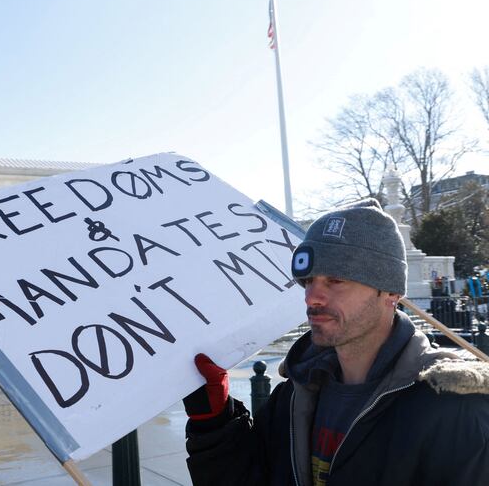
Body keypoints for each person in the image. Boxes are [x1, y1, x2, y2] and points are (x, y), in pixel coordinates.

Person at [183, 198, 489, 486]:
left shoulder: (453, 407)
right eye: (308, 281)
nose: (312, 297)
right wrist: (214, 423)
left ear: (390, 293)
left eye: (336, 280)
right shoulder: (292, 398)